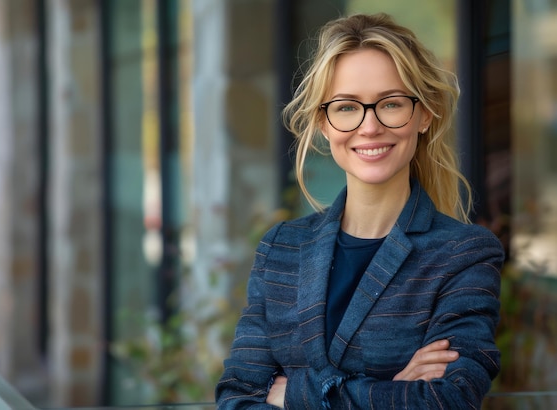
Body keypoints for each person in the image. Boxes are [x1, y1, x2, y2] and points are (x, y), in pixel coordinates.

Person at [215, 13, 504, 409]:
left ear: (424, 114)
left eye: (391, 103)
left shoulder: (463, 254)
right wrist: (394, 391)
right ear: (323, 122)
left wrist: (294, 394)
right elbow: (236, 399)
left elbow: (447, 400)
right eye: (347, 107)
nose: (369, 127)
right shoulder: (281, 250)